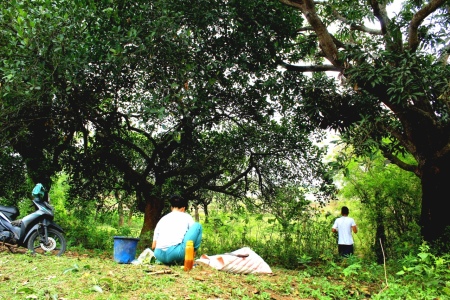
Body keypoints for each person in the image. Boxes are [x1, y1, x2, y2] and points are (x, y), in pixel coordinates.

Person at [151, 195, 202, 265]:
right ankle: (190, 259)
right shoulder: (186, 217)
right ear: (183, 208)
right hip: (175, 254)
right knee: (197, 226)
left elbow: (153, 246)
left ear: (171, 208)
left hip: (159, 255)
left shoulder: (162, 219)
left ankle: (166, 261)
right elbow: (193, 236)